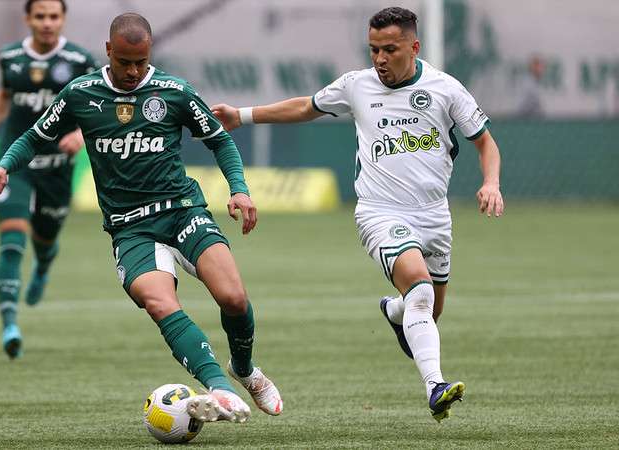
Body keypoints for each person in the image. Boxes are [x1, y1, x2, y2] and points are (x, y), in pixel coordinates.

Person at [0, 12, 283, 423]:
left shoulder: (174, 92)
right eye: (125, 62)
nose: (133, 71)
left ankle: (244, 369)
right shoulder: (80, 94)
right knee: (159, 302)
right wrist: (3, 167)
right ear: (108, 51)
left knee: (232, 298)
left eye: (141, 62)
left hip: (182, 211)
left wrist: (239, 189)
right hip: (130, 228)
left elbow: (219, 140)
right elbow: (36, 136)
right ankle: (219, 388)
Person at [212, 6, 504, 422]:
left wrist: (490, 182)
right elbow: (305, 107)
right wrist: (242, 116)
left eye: (390, 49)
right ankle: (435, 386)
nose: (380, 59)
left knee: (427, 313)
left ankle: (394, 310)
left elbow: (486, 143)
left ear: (414, 47)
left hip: (435, 217)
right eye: (373, 50)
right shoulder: (357, 86)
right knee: (420, 291)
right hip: (380, 212)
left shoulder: (445, 89)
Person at [0, 0, 100, 359]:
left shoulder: (79, 60)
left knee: (44, 239)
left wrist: (81, 134)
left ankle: (43, 265)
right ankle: (10, 324)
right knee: (12, 241)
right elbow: (4, 96)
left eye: (54, 16)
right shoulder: (10, 56)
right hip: (15, 163)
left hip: (57, 167)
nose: (47, 23)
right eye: (40, 16)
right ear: (28, 19)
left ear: (63, 19)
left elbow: (96, 107)